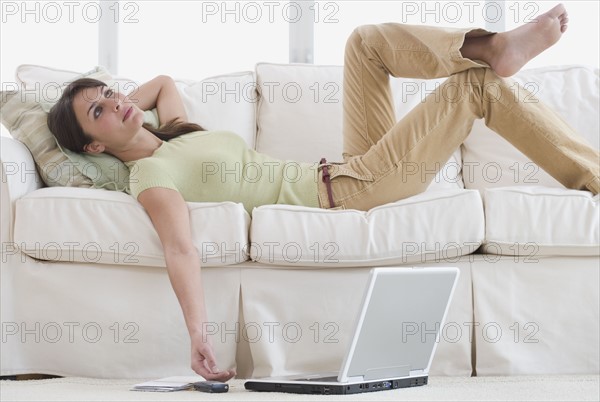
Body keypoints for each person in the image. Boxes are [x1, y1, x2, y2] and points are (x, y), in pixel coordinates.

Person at [47, 3, 599, 381]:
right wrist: (198, 334)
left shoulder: (176, 131)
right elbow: (179, 248)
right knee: (475, 87)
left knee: (364, 43)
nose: (117, 101)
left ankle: (488, 44)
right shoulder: (152, 175)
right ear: (93, 147)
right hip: (352, 192)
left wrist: (116, 110)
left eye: (110, 92)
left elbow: (164, 81)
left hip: (348, 168)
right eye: (98, 111)